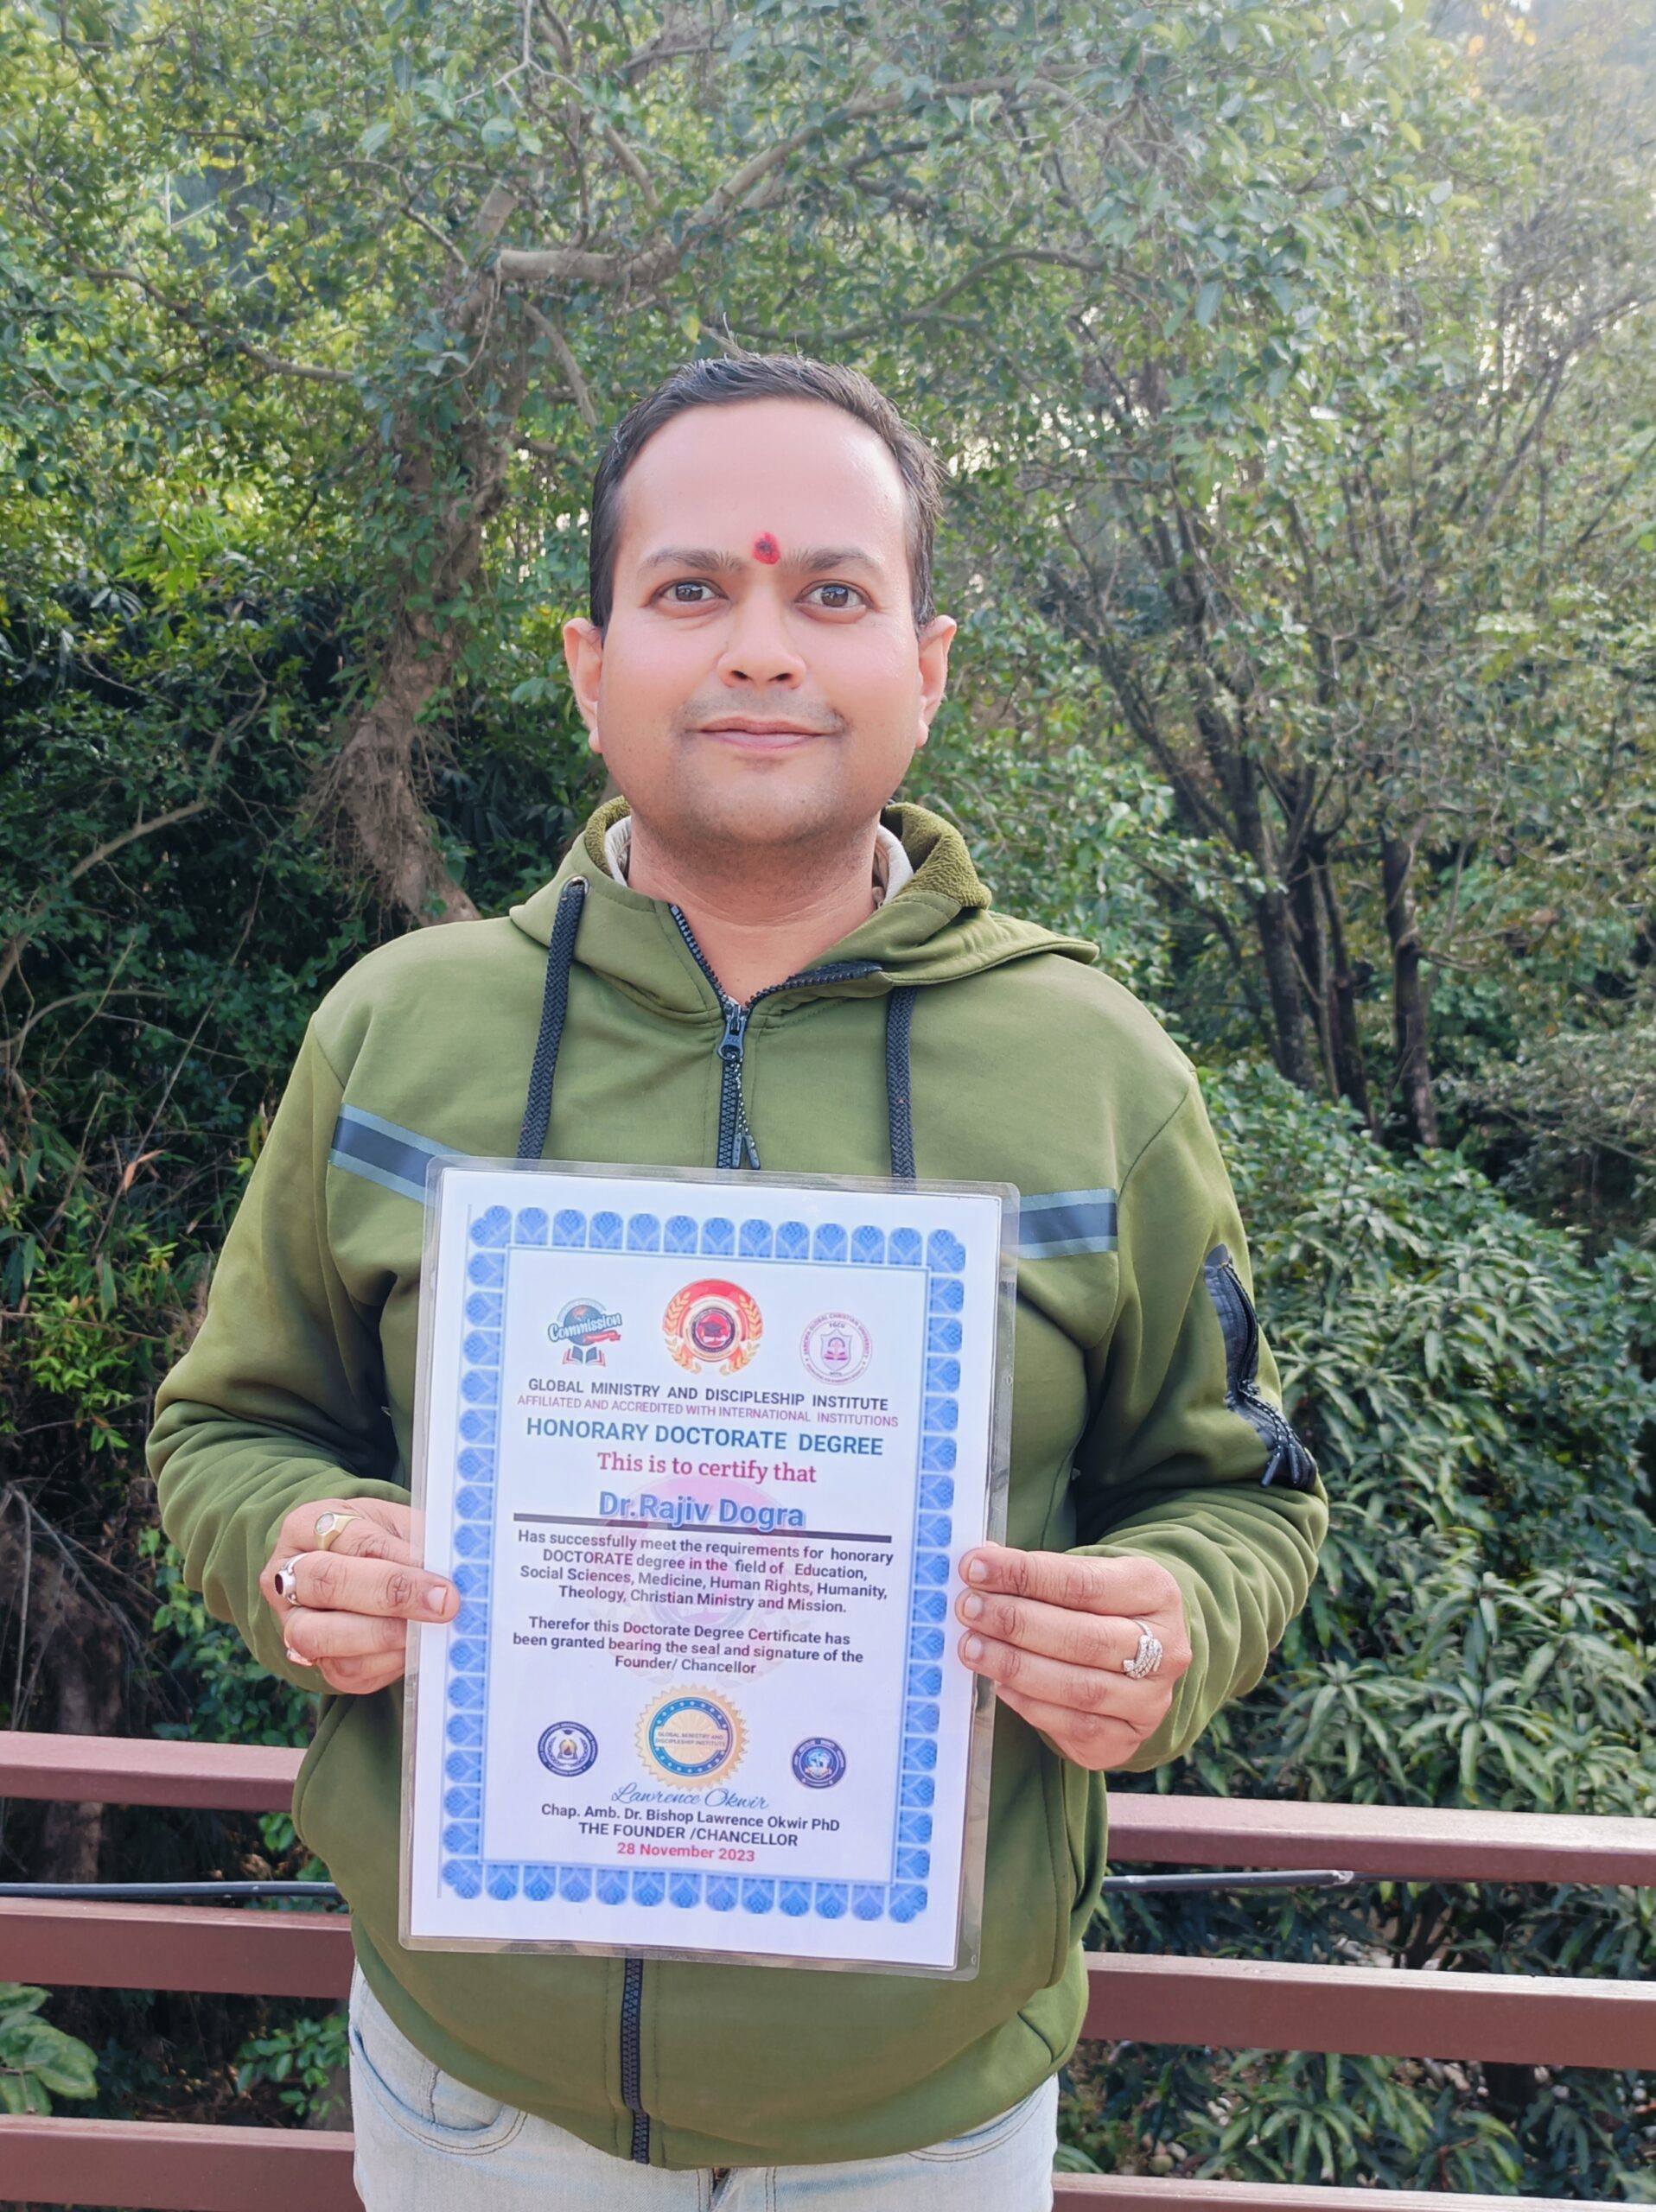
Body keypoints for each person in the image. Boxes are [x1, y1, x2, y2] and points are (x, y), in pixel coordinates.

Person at [148, 353, 1327, 2209]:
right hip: (480, 2101)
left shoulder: (1097, 1072)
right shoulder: (398, 1033)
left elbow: (1240, 1493)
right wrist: (299, 1548)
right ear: (588, 662)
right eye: (691, 588)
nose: (762, 650)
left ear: (927, 666)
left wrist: (1167, 1621)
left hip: (923, 2124)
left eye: (832, 595)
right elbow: (230, 1426)